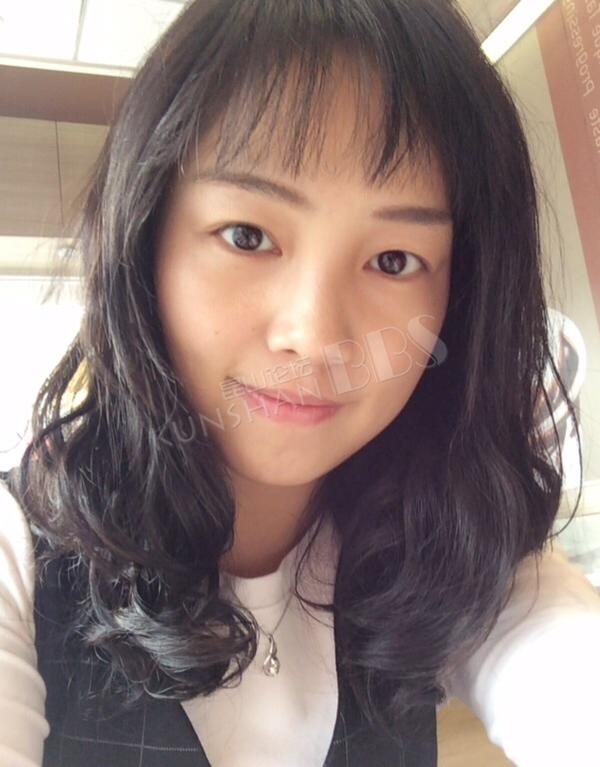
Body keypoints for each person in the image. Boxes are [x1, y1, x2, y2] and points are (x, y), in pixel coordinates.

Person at [1, 0, 600, 765]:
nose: (315, 337)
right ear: (145, 237)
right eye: (248, 235)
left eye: (394, 260)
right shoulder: (20, 555)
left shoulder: (448, 538)